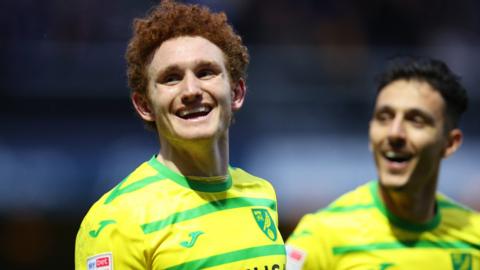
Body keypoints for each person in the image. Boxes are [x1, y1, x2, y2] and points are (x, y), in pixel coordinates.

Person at [75, 1, 286, 269]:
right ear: (144, 105)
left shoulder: (262, 194)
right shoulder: (116, 219)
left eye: (205, 72)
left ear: (236, 93)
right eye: (171, 78)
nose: (191, 90)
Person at [286, 57, 480, 269]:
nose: (394, 133)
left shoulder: (473, 237)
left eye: (416, 120)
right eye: (384, 117)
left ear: (450, 143)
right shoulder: (323, 236)